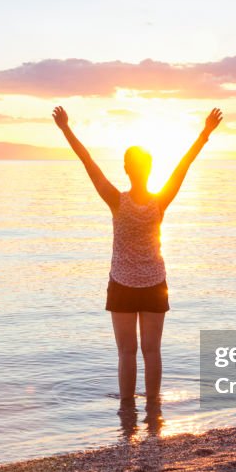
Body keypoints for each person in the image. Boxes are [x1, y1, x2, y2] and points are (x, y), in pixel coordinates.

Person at [52, 105, 223, 409]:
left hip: (122, 285)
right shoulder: (160, 201)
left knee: (126, 353)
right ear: (150, 169)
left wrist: (66, 128)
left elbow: (88, 162)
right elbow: (185, 164)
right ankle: (154, 412)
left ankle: (127, 413)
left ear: (127, 169)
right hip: (155, 283)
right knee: (152, 351)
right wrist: (205, 133)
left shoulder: (116, 201)